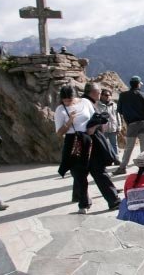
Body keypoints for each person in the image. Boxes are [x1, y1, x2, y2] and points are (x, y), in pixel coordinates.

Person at [55, 86, 120, 214]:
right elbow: (59, 132)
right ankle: (83, 203)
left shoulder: (85, 102)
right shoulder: (60, 110)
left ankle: (114, 201)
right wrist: (69, 121)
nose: (68, 103)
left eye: (70, 100)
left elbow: (96, 117)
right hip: (74, 141)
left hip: (91, 139)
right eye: (65, 100)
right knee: (79, 174)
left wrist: (93, 127)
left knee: (99, 171)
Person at [113, 76, 144, 175]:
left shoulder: (123, 96)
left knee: (128, 147)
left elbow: (119, 110)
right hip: (143, 124)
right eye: (140, 83)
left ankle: (122, 167)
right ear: (138, 84)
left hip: (131, 124)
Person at [98, 89, 122, 159]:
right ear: (101, 96)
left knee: (114, 144)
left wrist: (119, 126)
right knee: (103, 144)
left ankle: (116, 159)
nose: (108, 97)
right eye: (106, 95)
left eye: (109, 95)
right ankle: (105, 159)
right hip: (102, 129)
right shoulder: (97, 105)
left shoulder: (114, 105)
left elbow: (118, 116)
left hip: (113, 128)